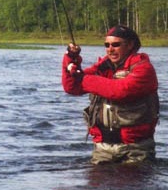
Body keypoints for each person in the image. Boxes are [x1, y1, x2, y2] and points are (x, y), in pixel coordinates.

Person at [62, 25, 159, 164]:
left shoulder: (144, 69)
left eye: (116, 45)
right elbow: (71, 87)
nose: (110, 49)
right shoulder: (103, 67)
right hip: (103, 149)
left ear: (130, 45)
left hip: (136, 149)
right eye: (107, 45)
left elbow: (120, 91)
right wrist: (70, 59)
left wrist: (83, 78)